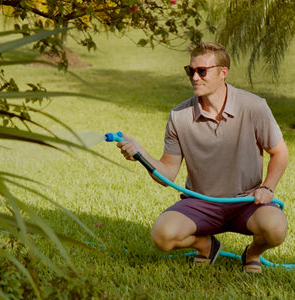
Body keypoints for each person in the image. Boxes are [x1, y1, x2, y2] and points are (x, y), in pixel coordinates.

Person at [116, 42, 289, 274]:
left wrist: (268, 187)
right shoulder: (179, 116)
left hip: (246, 202)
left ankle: (252, 254)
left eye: (202, 71)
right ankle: (207, 245)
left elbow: (280, 152)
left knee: (276, 229)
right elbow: (167, 172)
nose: (195, 77)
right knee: (162, 237)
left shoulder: (254, 107)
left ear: (223, 72)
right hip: (200, 203)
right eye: (191, 71)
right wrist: (140, 154)